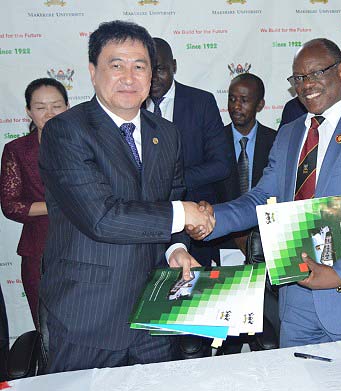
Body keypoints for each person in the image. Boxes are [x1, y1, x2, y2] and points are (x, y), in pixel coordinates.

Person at [195, 38, 341, 347]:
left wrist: (339, 274)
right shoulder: (288, 134)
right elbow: (261, 198)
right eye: (298, 78)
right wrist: (213, 218)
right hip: (295, 301)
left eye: (315, 73)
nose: (306, 84)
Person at [38, 20, 215, 373]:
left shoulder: (166, 133)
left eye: (140, 66)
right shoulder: (66, 132)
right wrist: (184, 213)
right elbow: (102, 218)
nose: (129, 77)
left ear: (152, 74)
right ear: (92, 71)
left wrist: (176, 248)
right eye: (116, 65)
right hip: (87, 317)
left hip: (155, 311)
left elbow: (171, 197)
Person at [147, 37, 232, 267]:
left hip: (193, 225)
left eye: (161, 69)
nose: (153, 77)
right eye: (146, 68)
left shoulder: (201, 102)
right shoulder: (129, 105)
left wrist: (172, 182)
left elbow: (221, 164)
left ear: (174, 65)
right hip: (144, 228)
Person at [215, 73, 277, 354]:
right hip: (221, 247)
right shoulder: (212, 142)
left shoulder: (276, 141)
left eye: (244, 100)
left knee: (265, 332)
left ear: (260, 104)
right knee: (227, 334)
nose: (236, 106)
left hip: (264, 248)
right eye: (231, 99)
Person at [0, 78, 69, 328]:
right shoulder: (17, 150)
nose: (49, 113)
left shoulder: (86, 146)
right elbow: (10, 205)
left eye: (56, 106)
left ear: (68, 107)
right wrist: (58, 205)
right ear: (29, 111)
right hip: (38, 253)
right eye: (40, 107)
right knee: (47, 330)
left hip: (86, 250)